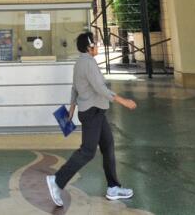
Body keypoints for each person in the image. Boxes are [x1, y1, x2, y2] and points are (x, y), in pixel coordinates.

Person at [46, 31, 136, 206]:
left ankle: (113, 187)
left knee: (108, 145)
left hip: (97, 111)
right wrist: (123, 101)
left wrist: (71, 108)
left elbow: (75, 88)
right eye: (95, 42)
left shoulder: (80, 62)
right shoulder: (88, 63)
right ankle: (57, 181)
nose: (98, 45)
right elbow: (101, 89)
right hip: (92, 112)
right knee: (87, 151)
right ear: (89, 46)